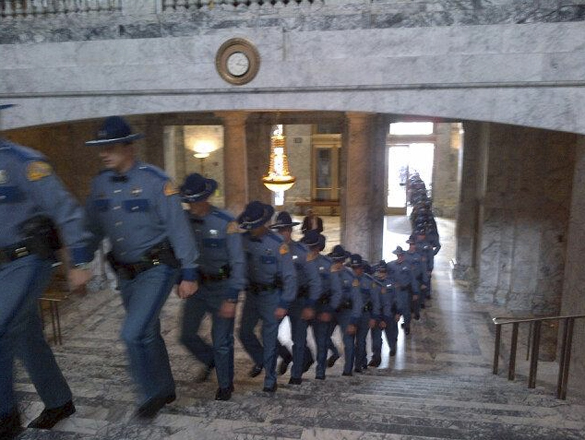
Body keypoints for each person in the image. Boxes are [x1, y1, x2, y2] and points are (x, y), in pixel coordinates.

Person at [84, 116, 199, 419]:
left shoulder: (156, 182)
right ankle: (165, 387)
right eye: (101, 148)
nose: (103, 153)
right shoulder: (99, 183)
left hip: (157, 268)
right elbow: (93, 227)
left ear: (129, 147)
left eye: (110, 147)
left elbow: (179, 229)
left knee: (132, 332)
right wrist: (81, 258)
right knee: (147, 331)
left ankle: (150, 395)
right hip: (125, 272)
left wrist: (189, 271)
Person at [0, 104, 94, 439]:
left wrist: (79, 262)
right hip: (3, 267)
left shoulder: (24, 162)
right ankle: (59, 401)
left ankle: (5, 419)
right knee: (26, 339)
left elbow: (66, 210)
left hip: (29, 260)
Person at [178, 173, 246, 401]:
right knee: (186, 335)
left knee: (222, 340)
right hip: (197, 288)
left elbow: (238, 262)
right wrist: (179, 280)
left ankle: (226, 385)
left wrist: (232, 297)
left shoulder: (226, 222)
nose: (192, 206)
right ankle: (210, 360)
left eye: (195, 200)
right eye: (188, 201)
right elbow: (175, 253)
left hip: (222, 289)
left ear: (206, 198)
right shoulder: (183, 220)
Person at [237, 201, 297, 393]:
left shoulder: (278, 245)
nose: (251, 230)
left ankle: (270, 380)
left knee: (269, 338)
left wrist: (284, 303)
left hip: (272, 297)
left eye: (254, 226)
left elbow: (289, 276)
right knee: (244, 332)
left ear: (263, 224)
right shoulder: (242, 240)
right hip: (251, 296)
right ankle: (261, 360)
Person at [270, 212, 321, 384]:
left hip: (299, 300)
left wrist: (311, 304)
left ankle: (296, 375)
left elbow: (314, 280)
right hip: (278, 298)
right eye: (279, 230)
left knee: (298, 339)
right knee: (268, 334)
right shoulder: (272, 250)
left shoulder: (302, 251)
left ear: (290, 230)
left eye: (284, 230)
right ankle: (285, 356)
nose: (282, 233)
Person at [303, 231, 343, 380]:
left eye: (313, 247)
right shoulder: (299, 261)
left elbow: (337, 291)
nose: (311, 250)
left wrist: (330, 310)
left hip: (322, 307)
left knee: (321, 341)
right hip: (303, 305)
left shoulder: (328, 265)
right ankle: (302, 364)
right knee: (299, 339)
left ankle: (320, 372)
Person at [328, 245, 363, 376]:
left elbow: (357, 299)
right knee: (323, 337)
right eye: (335, 260)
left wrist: (354, 321)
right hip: (331, 310)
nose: (337, 263)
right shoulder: (328, 272)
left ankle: (347, 370)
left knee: (348, 342)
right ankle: (334, 352)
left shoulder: (350, 275)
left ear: (343, 260)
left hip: (346, 311)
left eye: (340, 260)